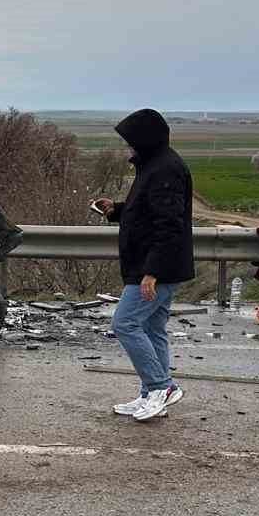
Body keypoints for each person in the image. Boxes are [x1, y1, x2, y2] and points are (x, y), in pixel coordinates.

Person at [92, 107, 194, 423]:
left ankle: (161, 386)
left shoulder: (164, 170)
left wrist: (152, 272)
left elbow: (169, 224)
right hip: (153, 264)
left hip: (155, 267)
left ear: (145, 139)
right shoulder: (153, 166)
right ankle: (151, 394)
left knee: (124, 323)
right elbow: (146, 212)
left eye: (130, 141)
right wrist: (116, 210)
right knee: (152, 329)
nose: (128, 147)